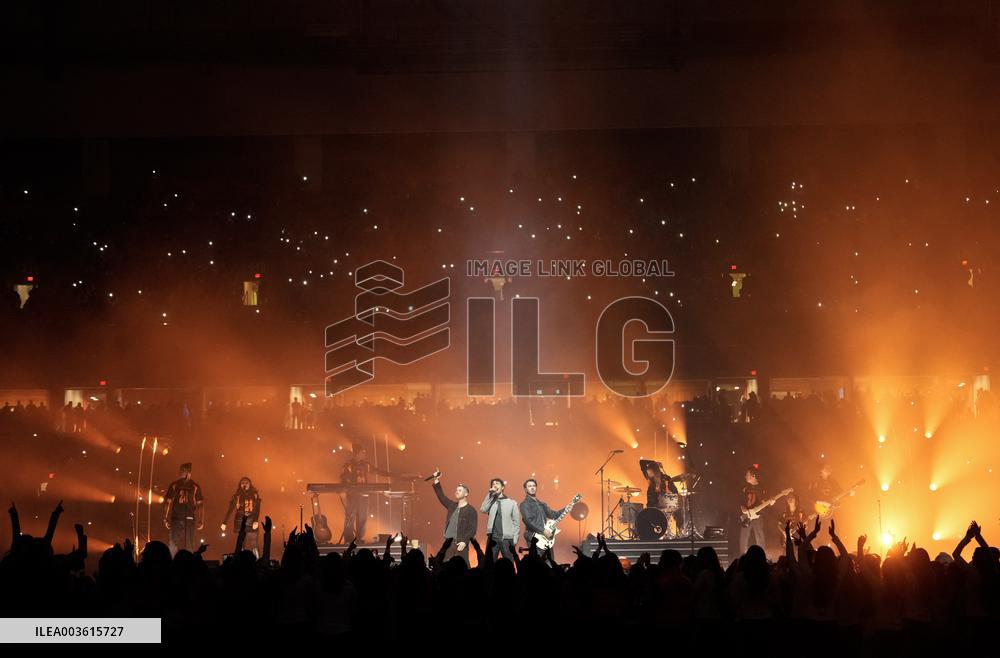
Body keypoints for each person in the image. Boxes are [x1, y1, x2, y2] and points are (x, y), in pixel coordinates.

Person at [430, 469, 477, 564]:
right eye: (456, 490)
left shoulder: (471, 510)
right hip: (449, 543)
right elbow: (441, 496)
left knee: (464, 566)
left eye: (460, 490)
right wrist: (436, 480)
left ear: (466, 493)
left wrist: (464, 541)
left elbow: (472, 529)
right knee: (445, 566)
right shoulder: (452, 506)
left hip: (461, 543)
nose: (456, 492)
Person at [163, 462, 205, 555]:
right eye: (180, 470)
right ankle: (173, 564)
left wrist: (201, 520)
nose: (180, 473)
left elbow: (200, 505)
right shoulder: (175, 485)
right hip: (176, 519)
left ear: (188, 472)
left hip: (189, 518)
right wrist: (165, 518)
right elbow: (167, 501)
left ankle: (188, 565)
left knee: (189, 545)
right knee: (173, 544)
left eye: (182, 471)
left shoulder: (195, 487)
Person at [519, 478, 570, 548]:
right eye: (529, 486)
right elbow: (529, 521)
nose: (532, 488)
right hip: (534, 536)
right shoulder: (524, 504)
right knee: (537, 558)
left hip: (545, 538)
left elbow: (553, 515)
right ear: (525, 489)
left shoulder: (542, 504)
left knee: (549, 559)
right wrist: (543, 530)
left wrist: (565, 509)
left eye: (534, 486)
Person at [480, 477, 520, 562]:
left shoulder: (512, 503)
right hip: (493, 538)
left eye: (497, 484)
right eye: (493, 484)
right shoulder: (491, 502)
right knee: (490, 564)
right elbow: (483, 509)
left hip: (507, 538)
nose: (494, 485)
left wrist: (515, 540)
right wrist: (490, 494)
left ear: (502, 487)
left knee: (509, 564)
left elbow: (516, 523)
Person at [220, 476, 262, 557]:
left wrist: (256, 520)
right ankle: (241, 563)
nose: (244, 484)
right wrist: (224, 522)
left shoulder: (255, 495)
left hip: (252, 521)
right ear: (240, 485)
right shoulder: (236, 496)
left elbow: (257, 509)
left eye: (246, 482)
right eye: (243, 483)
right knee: (241, 543)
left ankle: (257, 562)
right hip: (239, 522)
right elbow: (230, 509)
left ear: (250, 484)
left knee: (254, 544)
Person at [738, 466, 766, 554]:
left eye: (747, 474)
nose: (745, 476)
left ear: (753, 476)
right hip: (746, 516)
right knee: (743, 537)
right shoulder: (745, 487)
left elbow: (764, 501)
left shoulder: (761, 487)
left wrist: (770, 501)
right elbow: (741, 500)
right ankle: (742, 556)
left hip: (758, 515)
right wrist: (742, 507)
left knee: (759, 536)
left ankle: (761, 556)